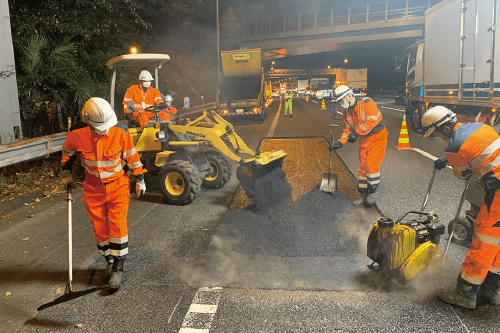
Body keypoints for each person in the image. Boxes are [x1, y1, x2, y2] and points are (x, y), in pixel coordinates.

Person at [60, 97, 147, 290]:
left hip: (117, 186)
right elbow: (67, 152)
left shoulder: (120, 130)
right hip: (93, 188)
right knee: (100, 229)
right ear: (88, 122)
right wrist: (66, 172)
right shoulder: (77, 134)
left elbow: (131, 156)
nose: (106, 130)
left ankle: (118, 268)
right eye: (101, 127)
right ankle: (109, 260)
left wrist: (140, 178)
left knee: (118, 224)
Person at [421, 105, 500, 309]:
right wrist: (448, 156)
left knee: (485, 243)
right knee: (498, 244)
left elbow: (463, 174)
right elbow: (475, 148)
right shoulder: (477, 126)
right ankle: (492, 292)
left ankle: (465, 294)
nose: (438, 138)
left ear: (445, 129)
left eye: (436, 133)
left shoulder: (453, 146)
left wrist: (449, 155)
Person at [328, 85, 388, 205]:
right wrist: (340, 142)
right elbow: (348, 129)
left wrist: (357, 133)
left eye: (341, 100)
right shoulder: (347, 113)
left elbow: (372, 121)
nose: (341, 104)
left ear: (349, 96)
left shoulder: (366, 103)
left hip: (378, 137)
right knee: (362, 167)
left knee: (371, 165)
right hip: (364, 139)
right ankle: (363, 194)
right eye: (339, 101)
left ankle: (372, 193)